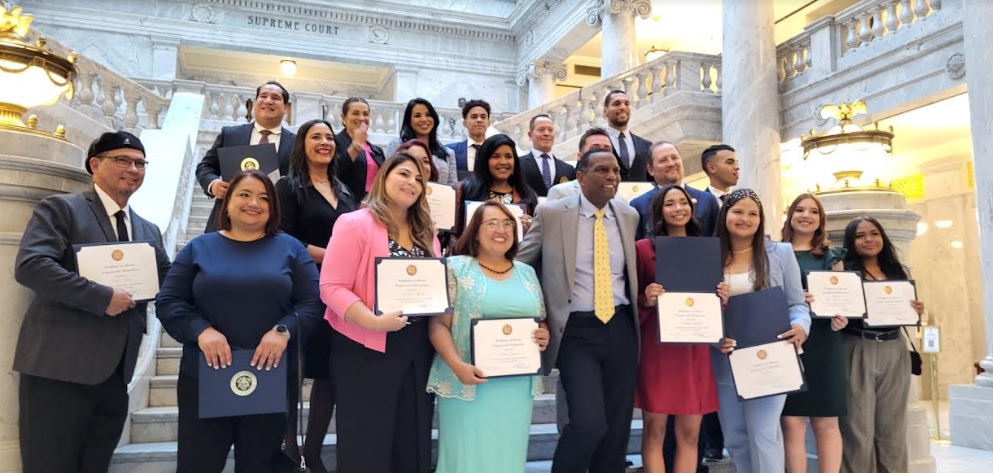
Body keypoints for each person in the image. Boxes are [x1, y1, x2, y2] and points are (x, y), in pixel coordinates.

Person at [13, 131, 171, 473]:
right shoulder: (62, 209)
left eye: (140, 163)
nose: (133, 169)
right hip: (60, 369)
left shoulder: (148, 230)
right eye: (122, 160)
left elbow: (170, 280)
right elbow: (32, 266)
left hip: (115, 376)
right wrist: (102, 298)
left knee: (95, 465)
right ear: (94, 164)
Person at [156, 170, 323, 472]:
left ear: (273, 207)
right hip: (204, 376)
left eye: (263, 198)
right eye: (244, 195)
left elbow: (312, 303)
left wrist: (284, 330)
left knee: (260, 463)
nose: (253, 203)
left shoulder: (291, 249)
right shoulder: (199, 247)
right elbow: (169, 302)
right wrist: (201, 330)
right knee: (198, 463)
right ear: (228, 203)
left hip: (269, 376)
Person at [518, 149, 641, 473]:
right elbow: (522, 264)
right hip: (575, 332)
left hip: (621, 327)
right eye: (602, 170)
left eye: (615, 170)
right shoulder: (553, 213)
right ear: (581, 176)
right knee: (588, 422)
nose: (612, 176)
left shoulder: (628, 216)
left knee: (617, 428)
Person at [320, 153, 441, 473]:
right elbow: (331, 287)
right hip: (364, 348)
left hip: (417, 348)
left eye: (419, 179)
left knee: (412, 441)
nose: (412, 183)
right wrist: (373, 321)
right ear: (383, 178)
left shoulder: (426, 232)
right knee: (366, 444)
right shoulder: (354, 223)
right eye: (404, 174)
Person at [427, 202, 551, 473]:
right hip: (469, 383)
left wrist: (543, 336)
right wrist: (457, 366)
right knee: (468, 457)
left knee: (508, 455)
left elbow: (539, 323)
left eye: (508, 224)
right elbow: (438, 326)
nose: (501, 229)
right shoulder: (456, 268)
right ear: (475, 231)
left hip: (516, 385)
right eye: (492, 223)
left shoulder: (527, 272)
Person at [275, 119, 357, 473]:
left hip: (340, 293)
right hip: (301, 289)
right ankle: (288, 449)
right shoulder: (288, 187)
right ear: (302, 145)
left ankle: (313, 450)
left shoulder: (346, 191)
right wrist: (334, 255)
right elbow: (284, 237)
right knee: (293, 372)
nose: (324, 142)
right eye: (315, 137)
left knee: (328, 373)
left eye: (328, 137)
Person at [713, 188, 811, 473]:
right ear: (725, 216)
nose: (745, 219)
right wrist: (714, 340)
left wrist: (800, 327)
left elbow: (797, 304)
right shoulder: (710, 255)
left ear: (761, 220)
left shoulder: (780, 253)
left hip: (771, 357)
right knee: (735, 437)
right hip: (725, 359)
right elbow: (702, 313)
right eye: (738, 212)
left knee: (764, 433)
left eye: (753, 214)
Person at [637, 185, 726, 473]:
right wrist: (646, 298)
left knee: (690, 434)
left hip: (694, 350)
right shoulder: (643, 249)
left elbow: (711, 307)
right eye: (670, 203)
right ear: (659, 211)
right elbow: (631, 301)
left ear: (692, 208)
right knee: (654, 433)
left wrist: (721, 299)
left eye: (683, 202)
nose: (678, 208)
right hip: (658, 350)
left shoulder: (707, 249)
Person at [839, 216, 926, 473]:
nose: (869, 240)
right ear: (851, 242)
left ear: (882, 238)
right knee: (857, 426)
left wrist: (917, 310)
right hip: (857, 347)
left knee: (892, 426)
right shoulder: (845, 272)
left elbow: (908, 314)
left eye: (874, 233)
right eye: (860, 235)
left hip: (894, 348)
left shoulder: (898, 271)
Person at [779, 193, 848, 473]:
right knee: (791, 421)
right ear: (790, 215)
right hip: (788, 339)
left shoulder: (832, 257)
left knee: (826, 421)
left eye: (813, 212)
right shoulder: (774, 251)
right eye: (800, 210)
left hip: (825, 341)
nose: (806, 215)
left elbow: (843, 301)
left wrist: (840, 317)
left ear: (821, 220)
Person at [196, 81, 295, 232]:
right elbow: (205, 166)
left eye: (275, 98)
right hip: (227, 223)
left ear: (286, 107)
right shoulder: (231, 134)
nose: (268, 101)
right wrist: (213, 184)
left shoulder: (297, 143)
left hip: (274, 225)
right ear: (255, 103)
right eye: (263, 96)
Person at [629, 142, 719, 238]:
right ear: (651, 170)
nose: (671, 164)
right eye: (663, 160)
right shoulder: (638, 205)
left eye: (674, 158)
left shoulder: (708, 201)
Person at [454, 133, 537, 235]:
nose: (503, 162)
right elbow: (453, 236)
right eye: (496, 156)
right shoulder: (464, 190)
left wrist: (532, 232)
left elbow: (535, 243)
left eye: (508, 156)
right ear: (485, 161)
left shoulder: (528, 196)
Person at [386, 98, 458, 186]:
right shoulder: (397, 145)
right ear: (409, 121)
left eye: (428, 115)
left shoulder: (448, 153)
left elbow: (453, 187)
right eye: (417, 115)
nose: (424, 119)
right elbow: (387, 176)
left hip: (438, 199)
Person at [334, 97, 387, 202]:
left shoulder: (376, 150)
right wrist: (355, 146)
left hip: (374, 205)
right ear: (344, 118)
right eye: (355, 113)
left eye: (365, 114)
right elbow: (334, 173)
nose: (361, 118)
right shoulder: (335, 142)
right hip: (346, 204)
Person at [546, 127, 613, 201]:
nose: (602, 154)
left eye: (607, 150)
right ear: (580, 156)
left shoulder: (619, 199)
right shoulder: (560, 193)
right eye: (595, 149)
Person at [520, 114, 576, 197]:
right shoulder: (518, 164)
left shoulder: (568, 169)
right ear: (530, 135)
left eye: (550, 130)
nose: (546, 133)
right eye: (541, 130)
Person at [602, 90, 652, 182]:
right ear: (605, 111)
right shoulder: (598, 143)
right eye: (616, 104)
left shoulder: (646, 146)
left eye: (626, 103)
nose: (623, 107)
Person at [445, 99, 490, 180]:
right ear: (464, 123)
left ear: (488, 122)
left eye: (483, 117)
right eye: (474, 117)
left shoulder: (496, 152)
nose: (479, 120)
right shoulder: (450, 151)